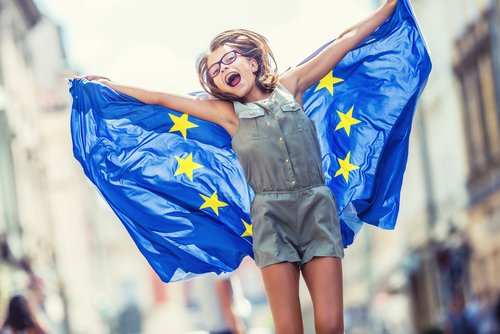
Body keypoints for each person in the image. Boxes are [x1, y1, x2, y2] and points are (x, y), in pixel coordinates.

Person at [81, 1, 399, 332]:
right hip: (271, 221)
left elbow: (342, 41)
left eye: (228, 59)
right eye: (215, 70)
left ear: (253, 60)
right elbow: (161, 99)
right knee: (289, 329)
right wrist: (110, 86)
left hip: (318, 209)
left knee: (331, 325)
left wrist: (387, 9)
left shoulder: (291, 86)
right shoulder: (227, 115)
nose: (222, 69)